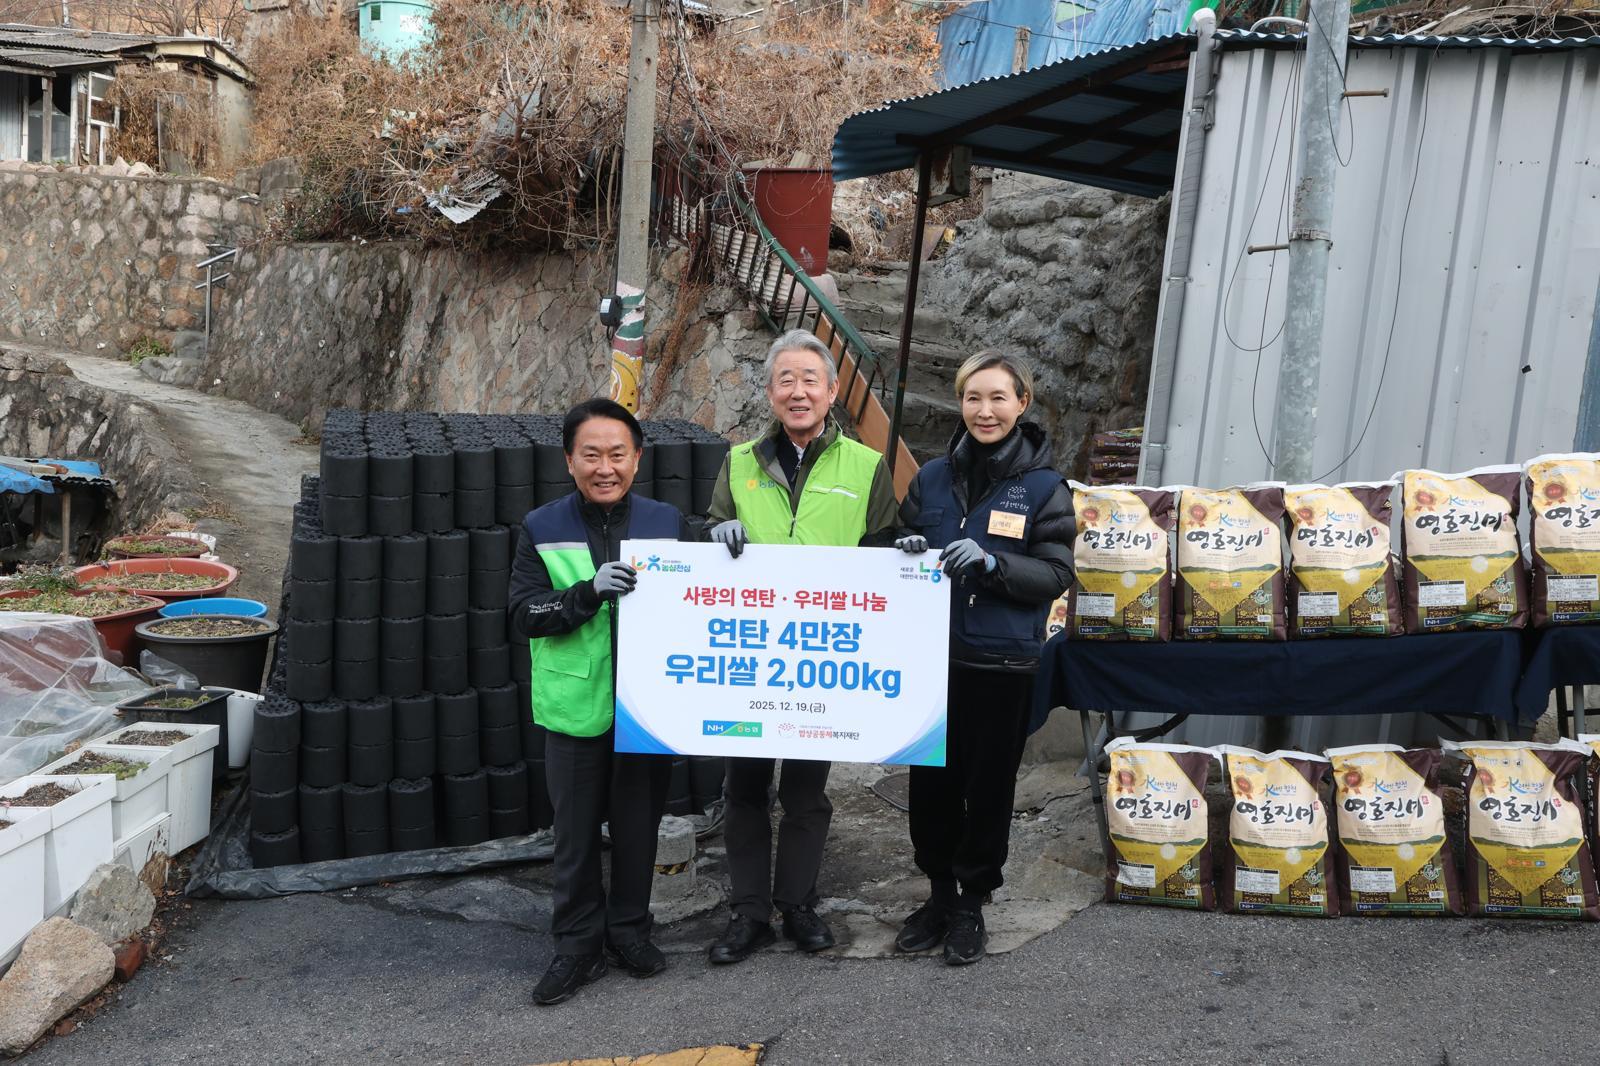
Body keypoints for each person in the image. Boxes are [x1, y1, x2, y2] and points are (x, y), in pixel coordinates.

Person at [703, 329, 905, 963]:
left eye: (809, 380)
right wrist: (716, 531)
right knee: (743, 790)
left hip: (824, 663)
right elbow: (710, 530)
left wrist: (906, 558)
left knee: (806, 793)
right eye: (785, 380)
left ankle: (797, 906)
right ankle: (747, 912)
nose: (798, 391)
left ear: (831, 390)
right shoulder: (738, 463)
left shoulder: (867, 466)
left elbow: (881, 550)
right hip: (754, 662)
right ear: (769, 392)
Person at [508, 398, 698, 1006]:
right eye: (591, 454)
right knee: (576, 836)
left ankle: (628, 932)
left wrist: (727, 541)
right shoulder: (542, 526)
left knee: (639, 831)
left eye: (618, 453)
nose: (605, 466)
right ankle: (577, 947)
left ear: (637, 459)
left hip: (646, 708)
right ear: (570, 461)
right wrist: (584, 594)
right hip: (576, 708)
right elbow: (522, 613)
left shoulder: (667, 521)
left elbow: (709, 596)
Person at [892, 350, 1073, 966]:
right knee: (931, 785)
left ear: (1023, 403)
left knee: (987, 787)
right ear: (960, 402)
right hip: (929, 658)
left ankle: (972, 905)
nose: (985, 410)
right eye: (973, 397)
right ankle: (938, 896)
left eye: (998, 398)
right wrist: (903, 544)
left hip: (1000, 665)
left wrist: (995, 564)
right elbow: (893, 545)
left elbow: (1055, 573)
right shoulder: (933, 477)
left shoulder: (1044, 487)